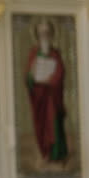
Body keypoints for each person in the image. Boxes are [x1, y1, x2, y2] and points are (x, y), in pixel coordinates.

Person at [25, 19, 67, 162]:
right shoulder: (34, 53)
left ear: (51, 34)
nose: (44, 35)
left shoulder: (55, 54)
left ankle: (56, 154)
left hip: (53, 98)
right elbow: (28, 76)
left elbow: (60, 73)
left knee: (54, 124)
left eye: (47, 32)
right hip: (39, 97)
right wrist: (32, 75)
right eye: (41, 33)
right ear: (37, 34)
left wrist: (50, 80)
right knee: (42, 126)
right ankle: (44, 153)